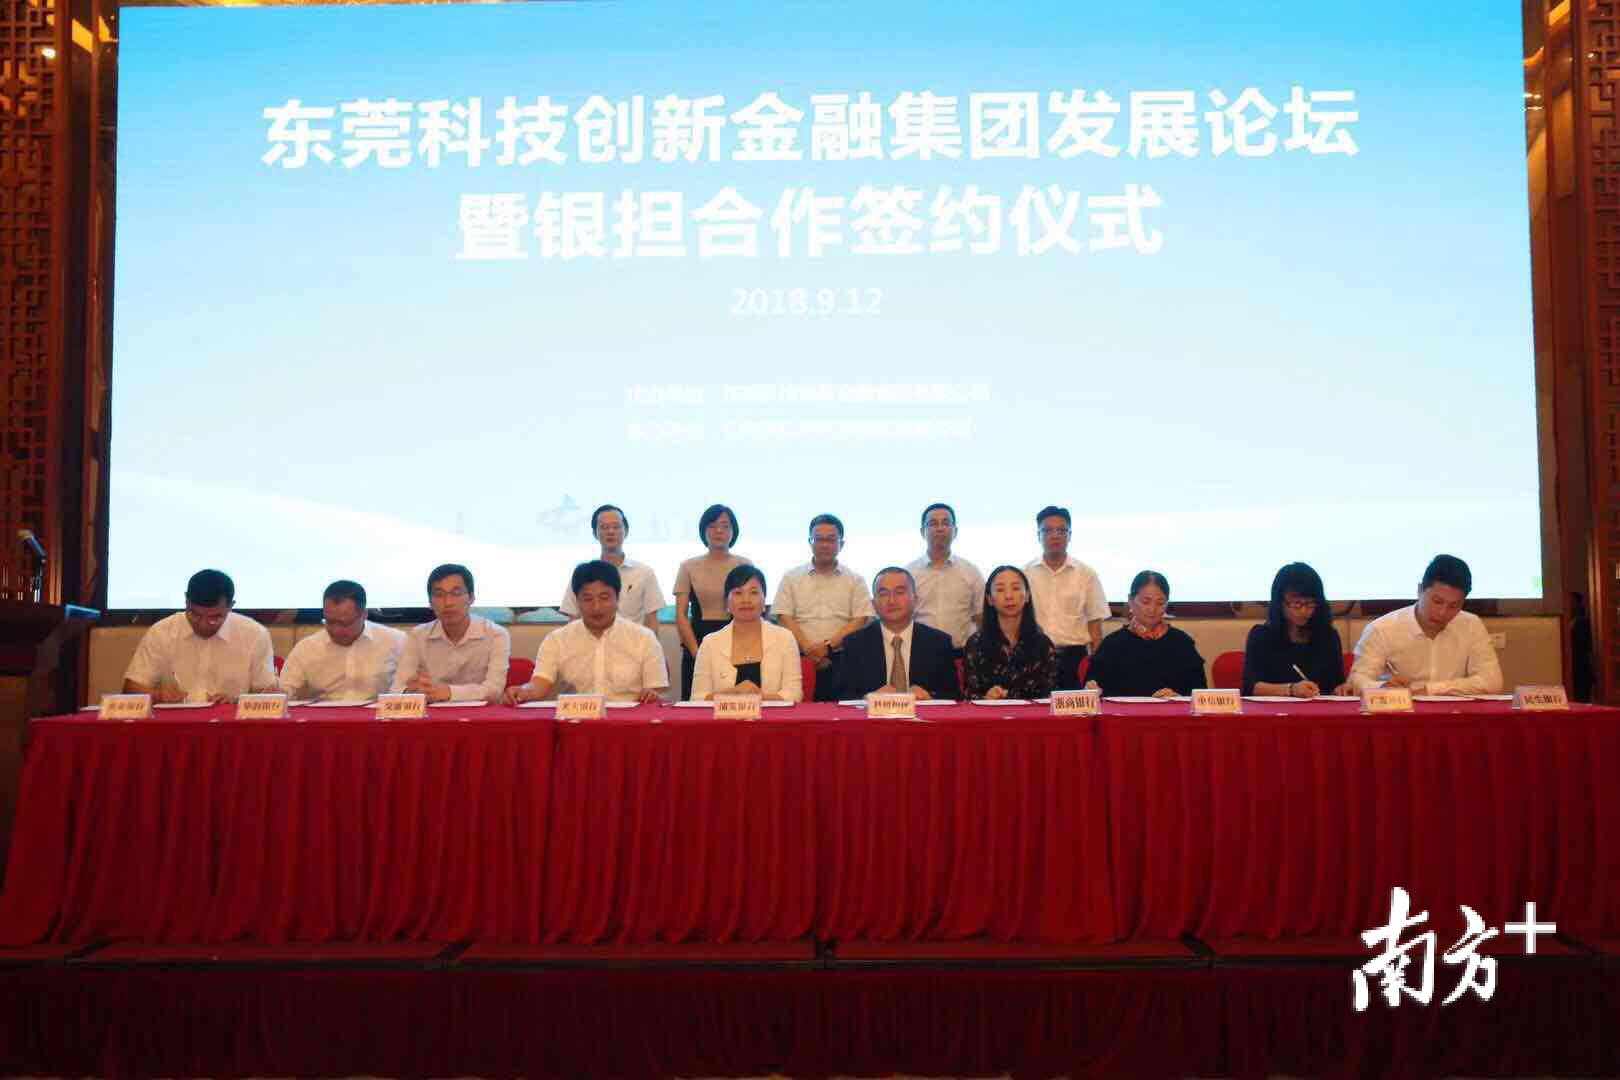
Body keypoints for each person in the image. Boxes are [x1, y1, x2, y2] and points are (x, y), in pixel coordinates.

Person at [506, 560, 668, 704]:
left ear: (617, 598)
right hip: (575, 720)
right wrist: (524, 691)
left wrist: (652, 695)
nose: (596, 607)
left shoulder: (644, 638)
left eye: (604, 598)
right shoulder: (557, 640)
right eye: (588, 599)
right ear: (577, 601)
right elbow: (540, 683)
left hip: (629, 722)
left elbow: (656, 691)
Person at [1347, 554, 1504, 695]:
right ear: (1420, 590)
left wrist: (1430, 690)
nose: (1443, 612)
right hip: (1401, 713)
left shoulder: (1471, 625)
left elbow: (1492, 681)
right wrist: (1382, 687)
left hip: (1454, 714)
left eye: (1453, 606)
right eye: (1437, 601)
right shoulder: (1382, 629)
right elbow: (1358, 679)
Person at [122, 568, 278, 703]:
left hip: (229, 723)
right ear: (186, 601)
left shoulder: (254, 634)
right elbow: (130, 690)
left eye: (214, 618)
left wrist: (236, 701)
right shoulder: (162, 632)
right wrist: (158, 695)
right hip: (174, 723)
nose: (203, 624)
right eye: (195, 615)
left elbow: (268, 696)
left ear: (231, 606)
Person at [774, 513, 874, 701]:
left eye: (831, 539)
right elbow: (784, 616)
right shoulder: (791, 577)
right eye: (819, 539)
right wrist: (809, 650)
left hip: (841, 659)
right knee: (798, 712)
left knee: (841, 713)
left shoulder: (855, 579)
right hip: (799, 659)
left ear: (841, 544)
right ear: (810, 542)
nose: (825, 544)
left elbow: (861, 619)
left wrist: (827, 648)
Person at [391, 563, 510, 703]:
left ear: (471, 597)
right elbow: (397, 688)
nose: (448, 603)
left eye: (456, 593)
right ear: (430, 602)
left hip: (480, 714)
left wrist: (448, 692)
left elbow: (494, 690)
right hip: (432, 714)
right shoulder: (418, 636)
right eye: (439, 595)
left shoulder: (496, 635)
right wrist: (412, 692)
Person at [839, 567, 960, 700]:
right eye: (883, 594)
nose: (892, 601)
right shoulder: (854, 644)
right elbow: (841, 695)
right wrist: (868, 698)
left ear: (915, 599)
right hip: (873, 713)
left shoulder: (939, 643)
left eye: (900, 592)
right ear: (873, 604)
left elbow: (954, 696)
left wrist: (930, 697)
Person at [1024, 506, 1110, 689]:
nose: (1055, 535)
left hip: (1074, 660)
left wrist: (1097, 671)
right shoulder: (1025, 574)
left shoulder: (1087, 575)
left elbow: (1095, 630)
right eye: (1048, 530)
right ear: (1038, 535)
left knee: (1075, 708)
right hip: (1034, 656)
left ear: (1070, 535)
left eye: (1061, 530)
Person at [673, 504, 752, 700]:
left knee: (738, 703)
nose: (718, 531)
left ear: (733, 531)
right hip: (697, 641)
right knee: (698, 704)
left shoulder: (744, 565)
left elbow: (753, 608)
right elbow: (681, 615)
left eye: (725, 526)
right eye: (712, 525)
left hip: (738, 640)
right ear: (703, 530)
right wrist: (697, 653)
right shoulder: (688, 566)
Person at [278, 579, 405, 702]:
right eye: (330, 622)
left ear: (364, 615)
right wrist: (276, 693)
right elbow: (284, 692)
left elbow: (406, 691)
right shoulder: (307, 647)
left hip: (377, 714)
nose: (336, 630)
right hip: (324, 715)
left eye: (344, 624)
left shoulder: (395, 641)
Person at [690, 565, 803, 702]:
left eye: (754, 592)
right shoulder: (710, 643)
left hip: (773, 716)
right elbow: (697, 697)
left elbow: (794, 694)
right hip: (723, 717)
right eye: (738, 593)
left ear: (764, 601)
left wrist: (759, 698)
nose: (746, 600)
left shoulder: (785, 639)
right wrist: (733, 693)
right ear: (727, 603)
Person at [1086, 571, 1206, 698]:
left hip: (1171, 710)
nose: (1152, 609)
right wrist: (1092, 690)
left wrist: (1178, 698)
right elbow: (1092, 691)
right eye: (1146, 602)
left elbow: (1200, 696)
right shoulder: (1111, 644)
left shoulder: (1183, 643)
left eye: (1160, 603)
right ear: (1130, 601)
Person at [1241, 563, 1349, 698]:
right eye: (1296, 604)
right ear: (1280, 603)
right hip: (1275, 710)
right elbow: (1250, 687)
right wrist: (1291, 689)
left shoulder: (1328, 636)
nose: (1303, 611)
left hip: (1319, 708)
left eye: (1309, 604)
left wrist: (1341, 689)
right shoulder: (1261, 636)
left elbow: (1337, 683)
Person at [558, 504, 664, 632]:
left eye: (616, 526)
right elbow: (573, 619)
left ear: (626, 531)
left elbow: (652, 621)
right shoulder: (583, 574)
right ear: (595, 533)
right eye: (604, 527)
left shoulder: (644, 573)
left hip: (632, 643)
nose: (610, 532)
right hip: (592, 643)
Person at [961, 565, 1058, 700]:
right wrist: (986, 699)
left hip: (1032, 713)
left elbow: (1050, 695)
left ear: (1027, 596)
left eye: (1016, 588)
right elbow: (970, 695)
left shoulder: (1043, 644)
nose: (1009, 596)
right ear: (989, 599)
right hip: (990, 713)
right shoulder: (975, 644)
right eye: (1000, 590)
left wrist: (1011, 696)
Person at [906, 502, 985, 655]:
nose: (940, 528)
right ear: (922, 532)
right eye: (933, 524)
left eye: (946, 523)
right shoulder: (909, 574)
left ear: (955, 531)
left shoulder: (971, 572)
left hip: (961, 655)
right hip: (920, 654)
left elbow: (981, 617)